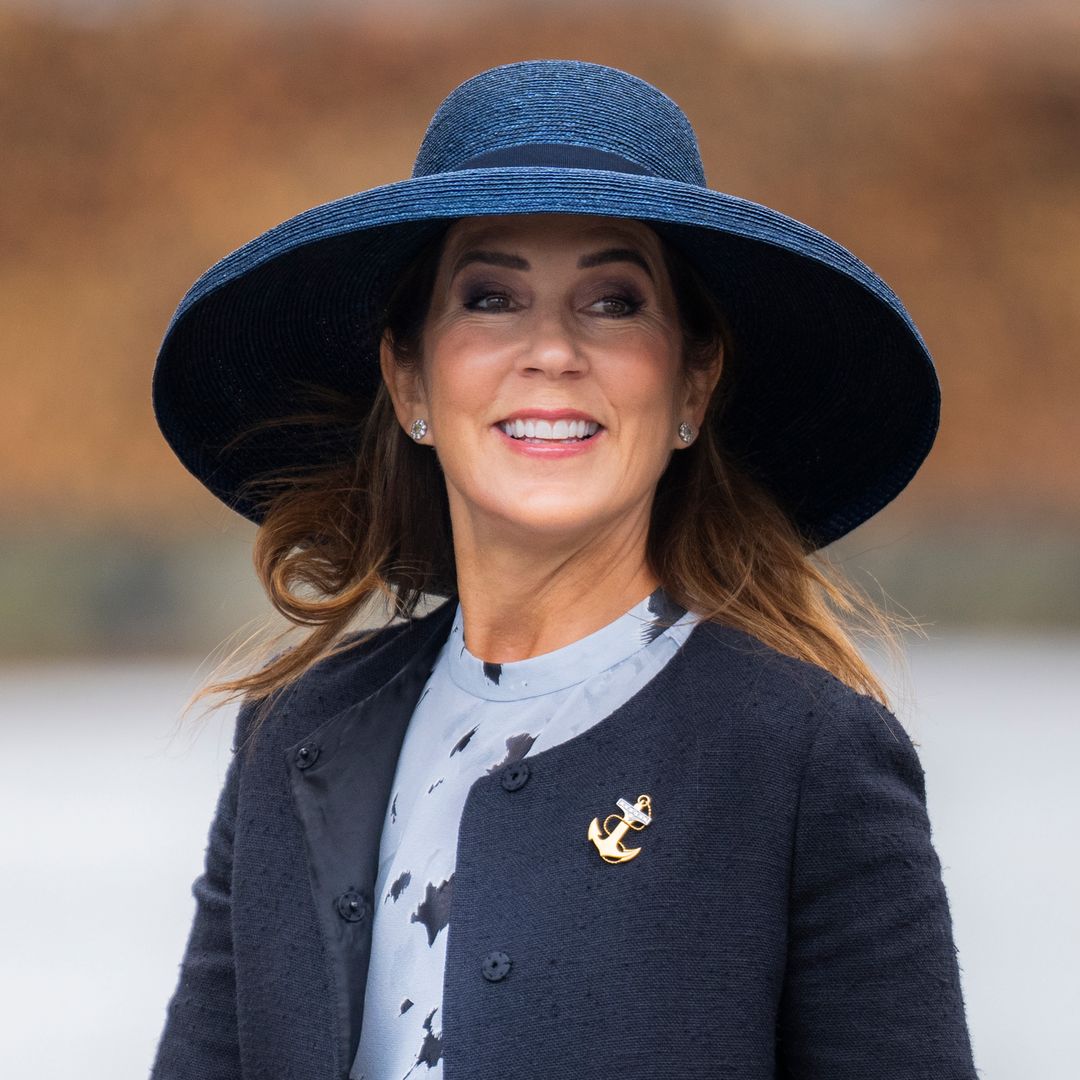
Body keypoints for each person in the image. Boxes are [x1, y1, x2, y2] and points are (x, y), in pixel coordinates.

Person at [149, 60, 979, 1079]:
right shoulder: (294, 736)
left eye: (614, 301)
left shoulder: (809, 757)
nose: (550, 350)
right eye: (492, 296)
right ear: (409, 377)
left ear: (692, 383)